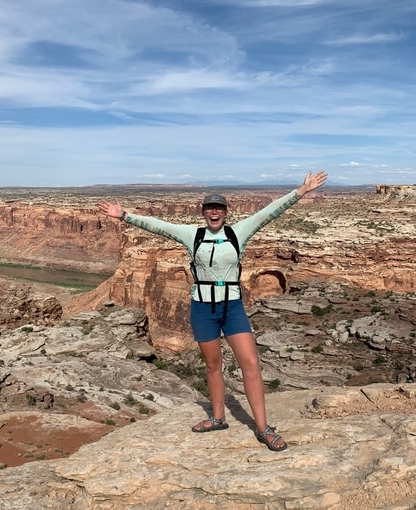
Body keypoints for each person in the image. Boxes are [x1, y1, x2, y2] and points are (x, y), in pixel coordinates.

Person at [98, 170, 328, 452]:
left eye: (219, 208)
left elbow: (270, 212)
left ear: (226, 213)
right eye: (210, 208)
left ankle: (264, 428)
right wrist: (124, 216)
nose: (214, 212)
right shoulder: (191, 235)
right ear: (204, 213)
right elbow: (158, 226)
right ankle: (218, 418)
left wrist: (301, 191)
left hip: (232, 307)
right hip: (202, 307)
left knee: (251, 364)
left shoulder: (238, 232)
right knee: (212, 366)